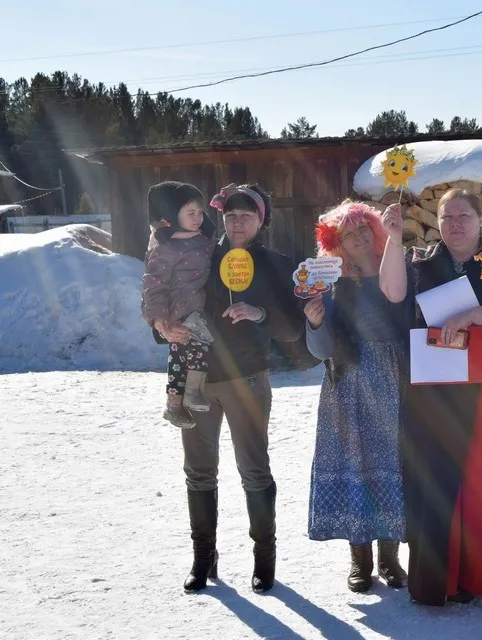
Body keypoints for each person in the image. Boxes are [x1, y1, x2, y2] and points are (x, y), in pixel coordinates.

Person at [379, 188, 482, 606]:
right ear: (437, 222)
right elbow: (393, 294)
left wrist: (473, 315)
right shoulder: (420, 262)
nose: (455, 224)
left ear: (481, 221)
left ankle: (477, 578)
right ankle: (434, 580)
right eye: (447, 217)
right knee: (431, 480)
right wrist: (392, 239)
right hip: (432, 388)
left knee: (481, 482)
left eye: (464, 216)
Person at [157, 183, 304, 594]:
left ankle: (264, 558)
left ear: (261, 221)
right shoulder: (198, 254)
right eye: (231, 215)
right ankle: (203, 557)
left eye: (247, 215)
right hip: (197, 379)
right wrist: (161, 325)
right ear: (221, 217)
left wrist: (260, 313)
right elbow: (163, 300)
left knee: (254, 469)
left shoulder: (274, 264)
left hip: (247, 379)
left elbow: (292, 331)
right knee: (198, 470)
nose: (238, 222)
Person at [303, 201, 409, 593]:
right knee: (354, 466)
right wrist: (315, 324)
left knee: (390, 462)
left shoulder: (395, 266)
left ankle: (389, 558)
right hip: (346, 382)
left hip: (391, 378)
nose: (358, 237)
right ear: (337, 244)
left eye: (364, 228)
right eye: (348, 234)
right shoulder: (330, 284)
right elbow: (320, 350)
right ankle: (359, 559)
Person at [141, 181, 217, 428]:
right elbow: (154, 284)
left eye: (200, 212)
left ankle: (179, 402)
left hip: (197, 304)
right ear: (174, 216)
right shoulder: (165, 247)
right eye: (190, 213)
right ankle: (186, 396)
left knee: (186, 351)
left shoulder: (205, 241)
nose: (197, 218)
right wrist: (158, 317)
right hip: (179, 308)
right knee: (190, 346)